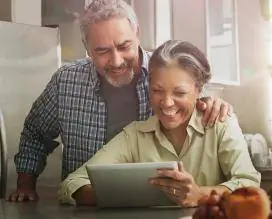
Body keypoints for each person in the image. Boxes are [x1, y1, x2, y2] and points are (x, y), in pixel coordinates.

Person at [8, 0, 232, 202]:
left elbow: (196, 101)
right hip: (88, 206)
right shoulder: (65, 81)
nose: (116, 61)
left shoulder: (167, 72)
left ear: (137, 33)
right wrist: (25, 186)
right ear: (87, 48)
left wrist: (213, 103)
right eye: (102, 50)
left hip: (160, 206)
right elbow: (35, 134)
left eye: (124, 46)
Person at [58, 40, 261, 207]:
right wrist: (128, 195)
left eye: (179, 93)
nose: (167, 102)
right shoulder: (135, 136)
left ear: (199, 90)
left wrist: (201, 195)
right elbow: (72, 184)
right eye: (157, 90)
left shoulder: (220, 124)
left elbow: (250, 185)